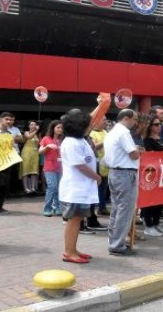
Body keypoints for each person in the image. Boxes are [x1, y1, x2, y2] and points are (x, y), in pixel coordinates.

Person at [58, 109, 101, 263]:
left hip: (82, 188)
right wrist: (96, 176)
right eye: (86, 125)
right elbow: (80, 165)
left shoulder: (80, 140)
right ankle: (69, 252)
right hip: (75, 189)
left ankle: (73, 249)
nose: (90, 127)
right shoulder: (72, 142)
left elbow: (92, 117)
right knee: (74, 220)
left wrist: (100, 105)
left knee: (78, 220)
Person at [103, 109, 140, 256]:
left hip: (115, 172)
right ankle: (117, 244)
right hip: (125, 173)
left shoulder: (112, 132)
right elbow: (133, 154)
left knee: (117, 208)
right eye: (134, 119)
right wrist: (138, 150)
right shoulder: (124, 132)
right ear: (127, 118)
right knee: (125, 209)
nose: (135, 122)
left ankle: (114, 241)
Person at [141, 115, 163, 237]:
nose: (159, 127)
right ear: (150, 126)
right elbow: (150, 157)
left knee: (160, 200)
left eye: (160, 124)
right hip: (150, 173)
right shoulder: (146, 140)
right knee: (150, 200)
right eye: (156, 124)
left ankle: (156, 223)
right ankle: (148, 225)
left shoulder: (162, 138)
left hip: (162, 172)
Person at [0, 112, 23, 213]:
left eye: (10, 120)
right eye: (7, 119)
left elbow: (20, 139)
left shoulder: (10, 133)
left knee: (5, 184)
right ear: (0, 119)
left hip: (7, 161)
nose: (9, 121)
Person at [39, 120, 63, 216]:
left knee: (58, 188)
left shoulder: (63, 139)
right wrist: (47, 147)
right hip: (49, 167)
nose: (60, 129)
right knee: (52, 187)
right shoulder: (46, 138)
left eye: (61, 128)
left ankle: (57, 207)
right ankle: (47, 208)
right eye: (58, 127)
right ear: (53, 128)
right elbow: (40, 152)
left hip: (61, 167)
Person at [89, 118, 110, 215]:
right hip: (96, 163)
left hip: (106, 164)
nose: (106, 122)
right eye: (104, 120)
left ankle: (102, 207)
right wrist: (107, 140)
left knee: (104, 187)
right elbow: (94, 146)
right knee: (97, 186)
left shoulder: (105, 131)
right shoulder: (91, 133)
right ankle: (94, 209)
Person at [19, 120, 41, 194]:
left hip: (35, 152)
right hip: (26, 152)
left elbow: (40, 143)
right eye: (31, 125)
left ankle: (33, 187)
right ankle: (26, 188)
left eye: (35, 125)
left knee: (34, 171)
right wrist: (36, 130)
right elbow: (29, 136)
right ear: (28, 126)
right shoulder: (26, 132)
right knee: (26, 170)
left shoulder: (38, 134)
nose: (33, 126)